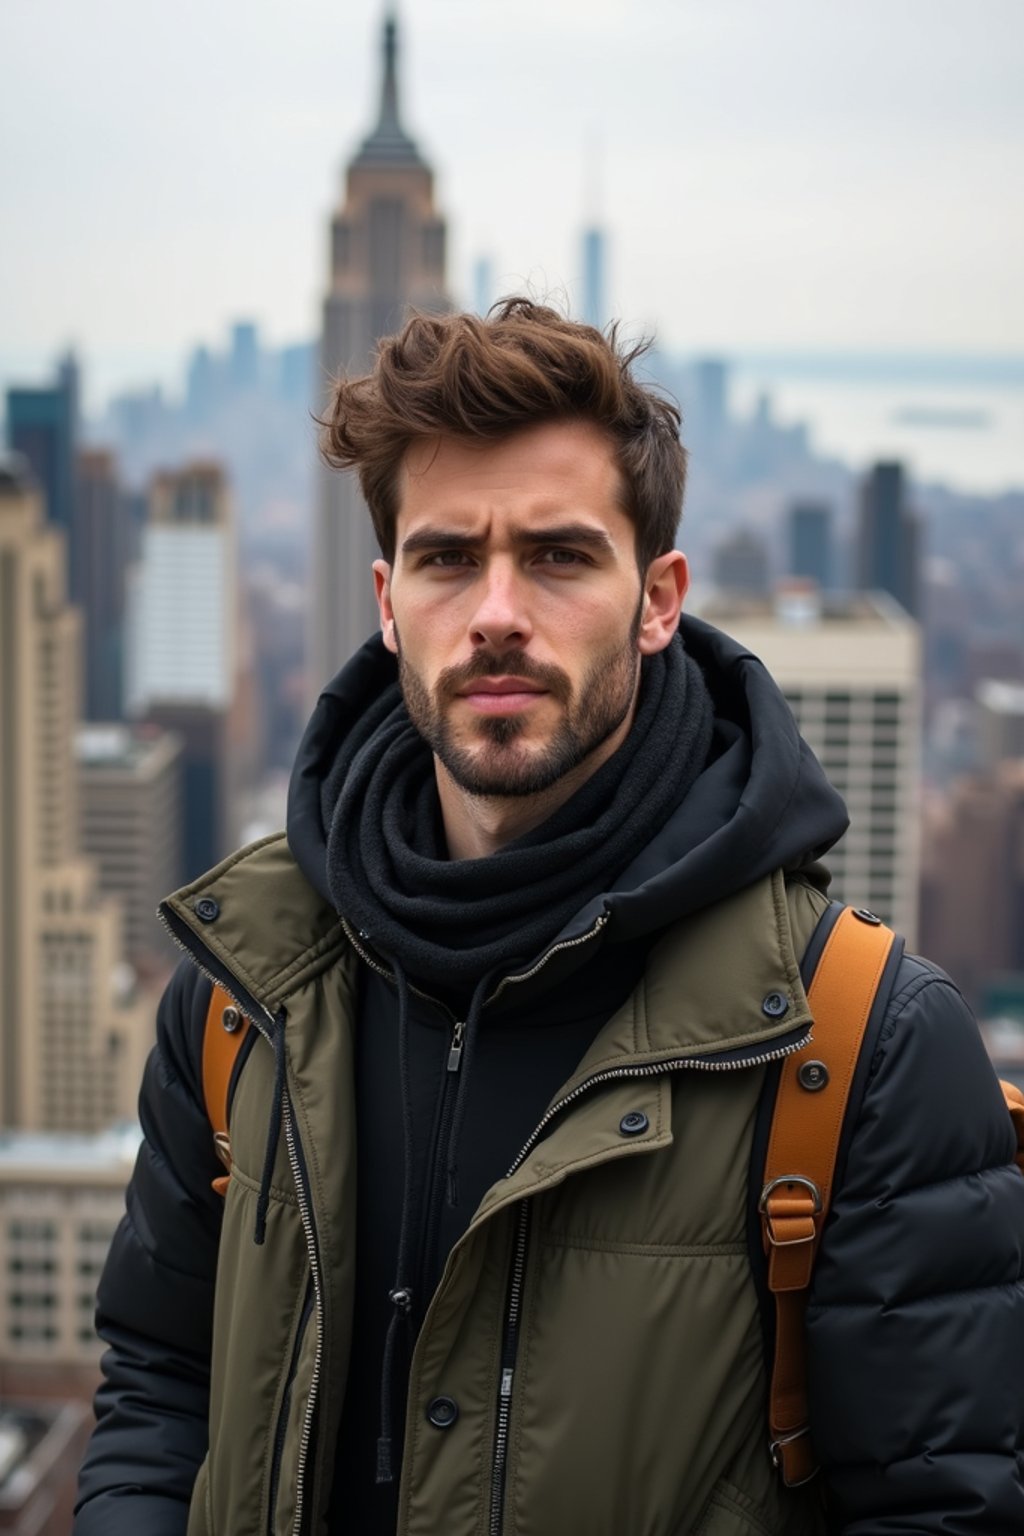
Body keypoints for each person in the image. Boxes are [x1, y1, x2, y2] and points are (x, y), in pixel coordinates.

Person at [75, 300, 1024, 1535]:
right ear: (385, 598)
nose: (498, 612)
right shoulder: (241, 995)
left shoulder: (861, 1045)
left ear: (659, 597)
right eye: (447, 557)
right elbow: (158, 1389)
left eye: (562, 556)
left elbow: (940, 1509)